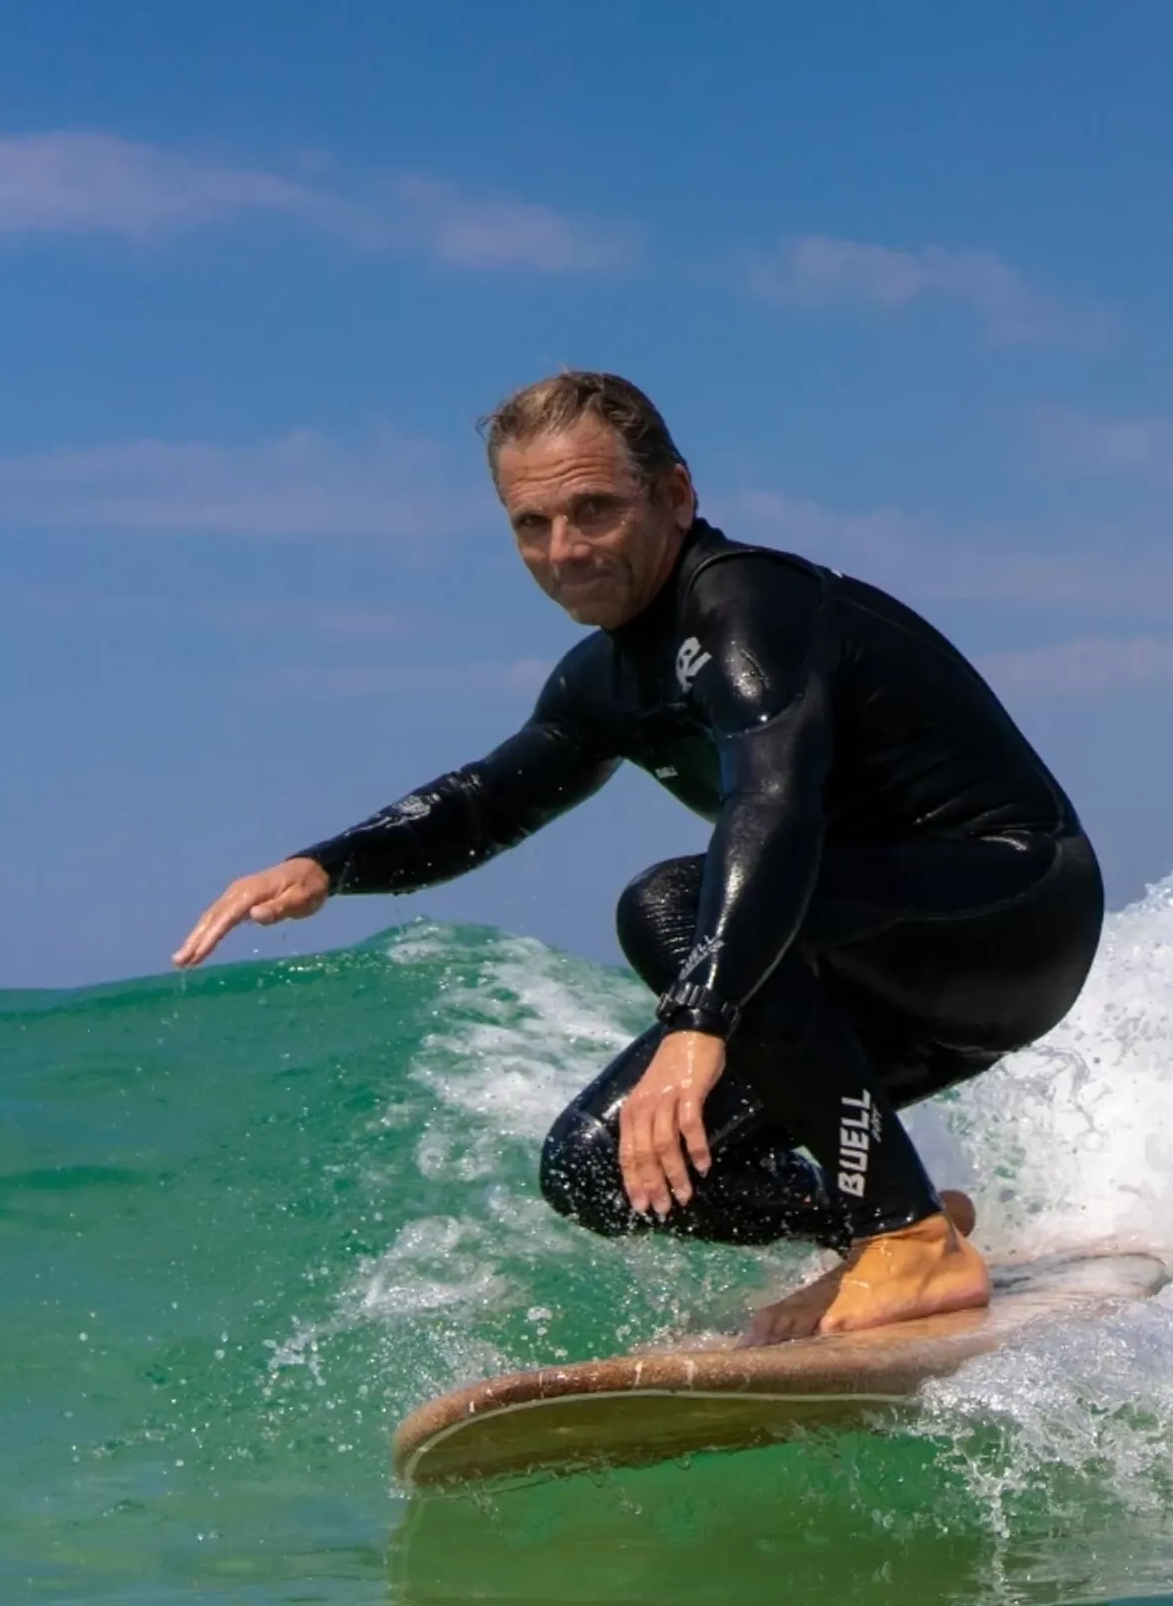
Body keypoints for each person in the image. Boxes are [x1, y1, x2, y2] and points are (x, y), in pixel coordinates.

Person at [175, 371, 1102, 1342]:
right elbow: (489, 799)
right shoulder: (605, 678)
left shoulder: (751, 609)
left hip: (1009, 915)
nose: (563, 551)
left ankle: (903, 1240)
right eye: (531, 524)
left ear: (676, 496)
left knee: (666, 904)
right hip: (862, 969)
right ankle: (889, 1223)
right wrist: (328, 866)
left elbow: (773, 806)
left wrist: (701, 1020)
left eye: (593, 510)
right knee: (596, 1165)